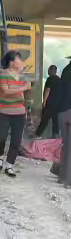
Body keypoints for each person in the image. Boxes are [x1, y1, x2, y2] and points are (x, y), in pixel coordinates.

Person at [0, 51, 31, 178]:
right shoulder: (3, 75)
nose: (21, 62)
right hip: (4, 111)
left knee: (16, 141)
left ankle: (9, 165)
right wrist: (24, 88)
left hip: (19, 112)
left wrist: (26, 109)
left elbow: (28, 91)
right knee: (1, 138)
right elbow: (6, 91)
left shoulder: (23, 76)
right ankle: (0, 156)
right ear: (11, 62)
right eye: (19, 59)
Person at [35, 65, 61, 138]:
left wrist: (44, 103)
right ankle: (55, 137)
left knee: (44, 120)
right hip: (57, 105)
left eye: (49, 70)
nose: (48, 71)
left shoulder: (50, 79)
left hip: (50, 104)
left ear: (50, 70)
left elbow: (47, 91)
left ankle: (37, 135)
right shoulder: (60, 80)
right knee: (55, 121)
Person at [57, 57, 71, 187]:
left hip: (62, 112)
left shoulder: (65, 70)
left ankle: (62, 176)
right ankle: (68, 180)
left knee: (66, 145)